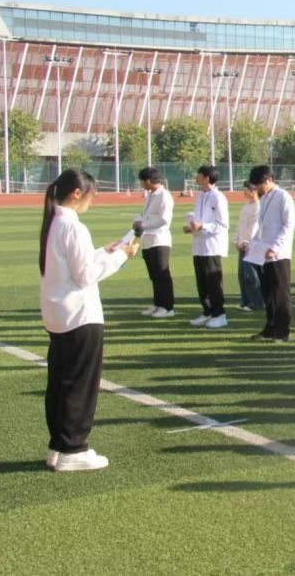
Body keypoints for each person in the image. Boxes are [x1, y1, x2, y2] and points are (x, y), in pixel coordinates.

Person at [39, 170, 139, 471]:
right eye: (91, 196)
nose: (92, 202)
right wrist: (121, 256)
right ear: (76, 194)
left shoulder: (54, 222)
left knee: (61, 382)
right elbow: (85, 275)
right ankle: (73, 448)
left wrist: (103, 252)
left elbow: (72, 265)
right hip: (80, 315)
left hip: (60, 315)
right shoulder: (73, 226)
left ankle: (60, 446)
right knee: (80, 384)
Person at [246, 165, 295, 343]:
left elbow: (288, 225)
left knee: (280, 293)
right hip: (263, 252)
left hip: (278, 254)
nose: (258, 188)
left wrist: (275, 247)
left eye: (259, 184)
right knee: (268, 293)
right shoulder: (265, 198)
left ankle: (283, 331)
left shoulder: (283, 196)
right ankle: (270, 328)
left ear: (269, 180)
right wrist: (253, 243)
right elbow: (262, 226)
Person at [183, 165, 229, 329]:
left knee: (213, 281)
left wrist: (203, 226)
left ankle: (219, 314)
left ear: (207, 178)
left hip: (212, 246)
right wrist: (191, 228)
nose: (196, 177)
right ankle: (207, 311)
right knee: (202, 282)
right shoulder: (200, 196)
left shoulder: (218, 197)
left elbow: (223, 224)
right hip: (199, 245)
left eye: (199, 175)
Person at [134, 166, 175, 318]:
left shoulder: (164, 196)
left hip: (159, 240)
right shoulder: (151, 195)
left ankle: (167, 307)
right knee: (154, 275)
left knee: (162, 275)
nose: (141, 184)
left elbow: (164, 219)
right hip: (148, 240)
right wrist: (139, 221)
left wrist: (143, 225)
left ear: (148, 181)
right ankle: (158, 303)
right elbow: (147, 215)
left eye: (142, 181)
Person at [234, 182, 263, 312]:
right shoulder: (246, 206)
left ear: (254, 190)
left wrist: (247, 242)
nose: (244, 192)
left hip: (252, 245)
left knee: (251, 274)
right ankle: (245, 300)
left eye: (246, 190)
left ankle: (256, 302)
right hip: (242, 245)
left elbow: (255, 227)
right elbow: (239, 225)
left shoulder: (259, 207)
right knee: (242, 274)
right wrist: (236, 241)